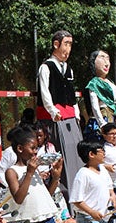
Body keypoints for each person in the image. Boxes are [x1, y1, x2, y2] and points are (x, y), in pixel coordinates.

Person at [36, 30, 84, 195]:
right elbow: (45, 92)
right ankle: (61, 194)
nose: (68, 49)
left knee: (75, 156)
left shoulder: (68, 69)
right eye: (66, 44)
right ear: (56, 44)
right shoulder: (46, 67)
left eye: (70, 45)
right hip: (54, 118)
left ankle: (78, 193)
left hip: (70, 117)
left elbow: (72, 94)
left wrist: (76, 112)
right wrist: (52, 110)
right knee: (59, 157)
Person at [84, 50, 116, 129]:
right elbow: (95, 107)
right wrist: (102, 124)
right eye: (102, 58)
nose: (106, 63)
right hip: (102, 120)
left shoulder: (110, 82)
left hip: (113, 119)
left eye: (108, 59)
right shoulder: (94, 83)